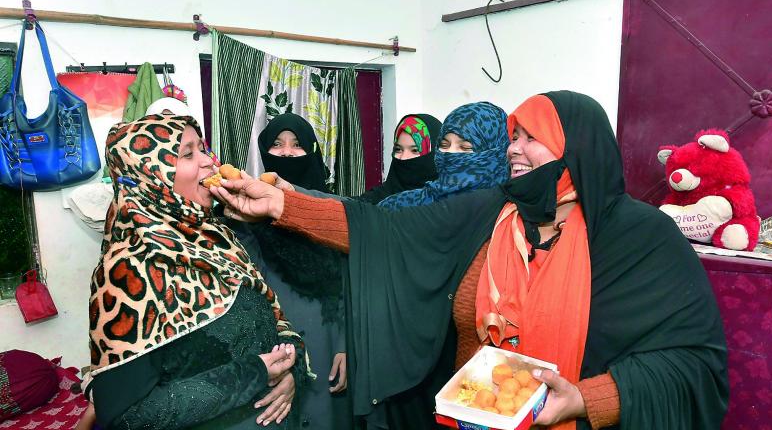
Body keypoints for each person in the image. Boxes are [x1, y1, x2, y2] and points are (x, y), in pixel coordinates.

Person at [213, 91, 729, 429]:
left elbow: (689, 362)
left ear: (576, 150)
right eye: (512, 137)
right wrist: (282, 204)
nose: (513, 150)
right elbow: (386, 233)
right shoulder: (494, 209)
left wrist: (586, 400)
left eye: (530, 139)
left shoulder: (637, 238)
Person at [85, 113, 311, 429]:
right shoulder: (127, 272)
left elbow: (270, 319)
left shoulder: (217, 238)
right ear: (152, 176)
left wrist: (290, 373)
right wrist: (254, 375)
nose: (209, 161)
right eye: (188, 153)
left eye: (202, 148)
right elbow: (127, 416)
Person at [230, 113, 350, 429]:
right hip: (272, 346)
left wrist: (346, 345)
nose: (286, 153)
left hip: (327, 343)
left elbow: (350, 285)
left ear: (311, 150)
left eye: (296, 145)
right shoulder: (244, 215)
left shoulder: (332, 212)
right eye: (277, 145)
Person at [378, 101, 509, 210]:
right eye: (444, 145)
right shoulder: (401, 205)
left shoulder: (509, 215)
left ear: (496, 155)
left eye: (465, 147)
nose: (449, 154)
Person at [357, 114, 442, 204]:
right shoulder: (376, 199)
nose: (403, 157)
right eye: (398, 149)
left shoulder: (446, 205)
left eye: (414, 150)